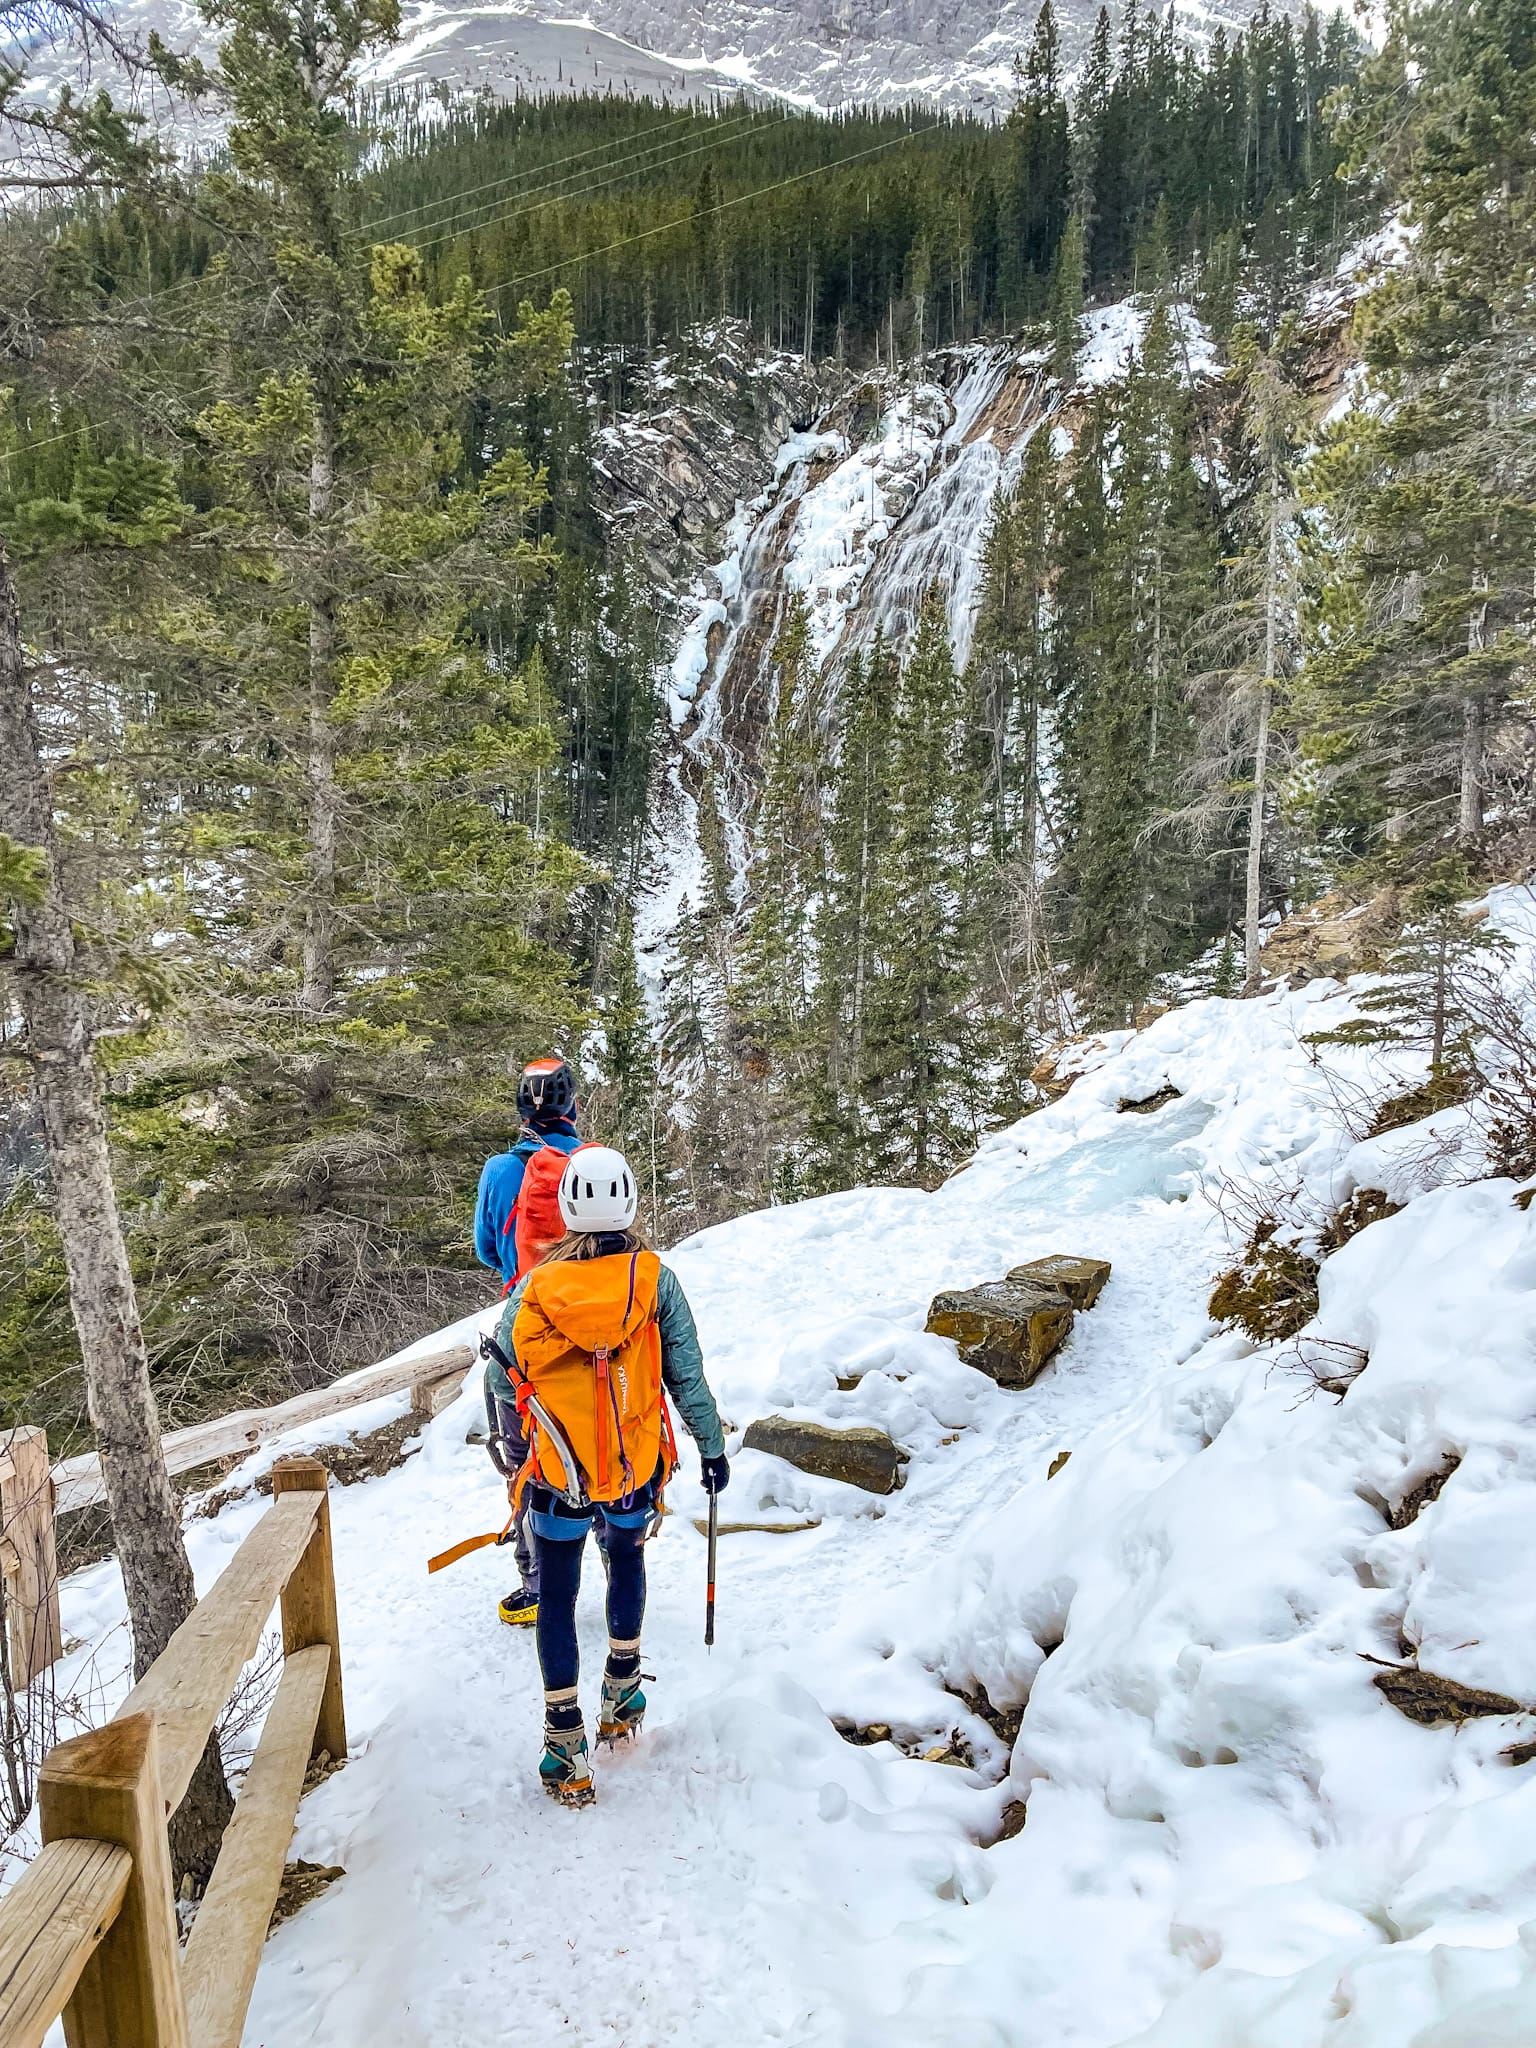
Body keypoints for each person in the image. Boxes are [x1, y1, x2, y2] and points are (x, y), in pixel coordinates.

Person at [487, 1144, 729, 1808]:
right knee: (625, 1558)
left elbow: (497, 1376)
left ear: (566, 1211)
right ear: (630, 1203)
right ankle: (622, 1689)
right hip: (631, 1466)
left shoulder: (536, 1288)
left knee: (559, 1595)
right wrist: (710, 1448)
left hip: (556, 1474)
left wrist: (515, 1449)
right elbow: (686, 1378)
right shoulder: (656, 1281)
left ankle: (564, 1745)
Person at [475, 1058, 585, 1629]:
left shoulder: (499, 1170)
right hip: (591, 1324)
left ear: (522, 1111)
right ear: (571, 1109)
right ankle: (620, 1555)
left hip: (524, 1330)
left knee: (523, 1457)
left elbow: (488, 1251)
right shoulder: (591, 1164)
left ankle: (537, 1582)